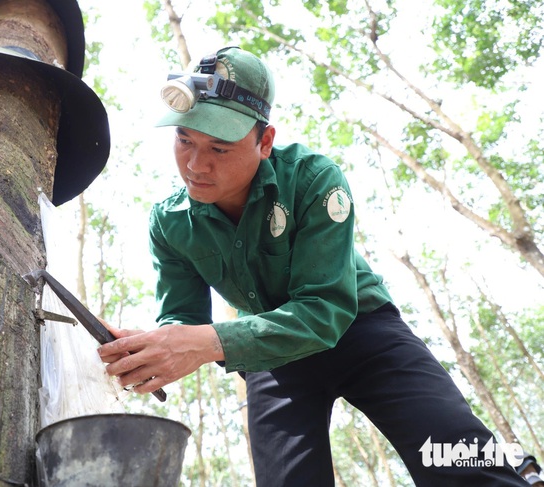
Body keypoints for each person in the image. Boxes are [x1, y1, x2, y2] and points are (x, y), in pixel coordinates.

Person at [97, 46, 527, 486]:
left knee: (461, 458)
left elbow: (324, 311)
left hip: (362, 330)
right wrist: (153, 345)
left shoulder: (312, 179)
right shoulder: (170, 222)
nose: (195, 164)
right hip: (268, 356)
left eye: (220, 149)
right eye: (184, 139)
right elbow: (184, 319)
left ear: (264, 142)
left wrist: (201, 342)